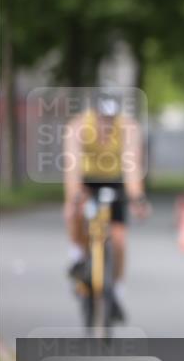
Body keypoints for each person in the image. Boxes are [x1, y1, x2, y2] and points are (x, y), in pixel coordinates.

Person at [63, 90, 151, 322]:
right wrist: (74, 197)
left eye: (111, 121)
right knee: (75, 213)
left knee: (119, 239)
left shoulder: (128, 128)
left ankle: (117, 289)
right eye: (103, 120)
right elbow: (71, 168)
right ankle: (77, 255)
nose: (106, 126)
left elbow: (132, 167)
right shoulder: (78, 126)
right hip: (86, 180)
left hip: (115, 181)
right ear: (95, 114)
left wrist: (137, 198)